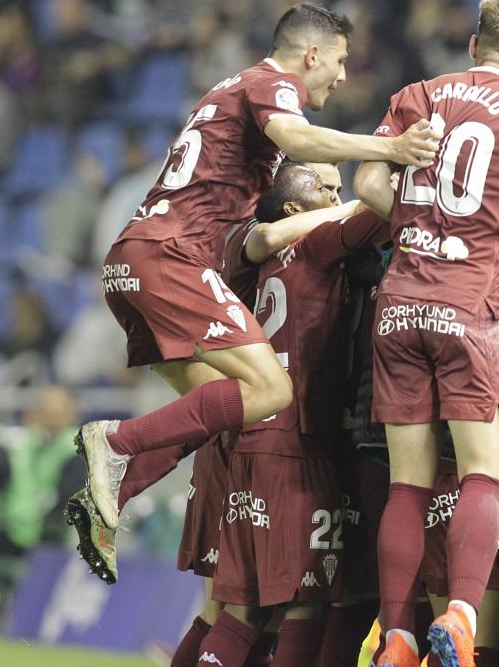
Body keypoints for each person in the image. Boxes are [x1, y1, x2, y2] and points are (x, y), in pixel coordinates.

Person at [68, 2, 440, 570]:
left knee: (216, 406)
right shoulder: (271, 82)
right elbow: (297, 137)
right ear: (311, 53)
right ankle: (116, 443)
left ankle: (110, 495)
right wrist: (388, 148)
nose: (342, 76)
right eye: (339, 61)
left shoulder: (226, 91)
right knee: (270, 391)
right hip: (173, 256)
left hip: (132, 259)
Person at [353, 0, 499, 667]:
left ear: (473, 45)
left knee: (408, 484)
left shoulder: (417, 93)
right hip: (471, 306)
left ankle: (398, 636)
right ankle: (463, 617)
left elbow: (366, 183)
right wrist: (478, 234)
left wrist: (418, 228)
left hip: (399, 305)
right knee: (483, 473)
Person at [172, 164, 390, 667]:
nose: (339, 195)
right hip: (290, 441)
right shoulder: (313, 247)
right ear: (294, 209)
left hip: (239, 435)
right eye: (326, 189)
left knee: (239, 605)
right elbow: (380, 208)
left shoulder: (244, 254)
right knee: (294, 602)